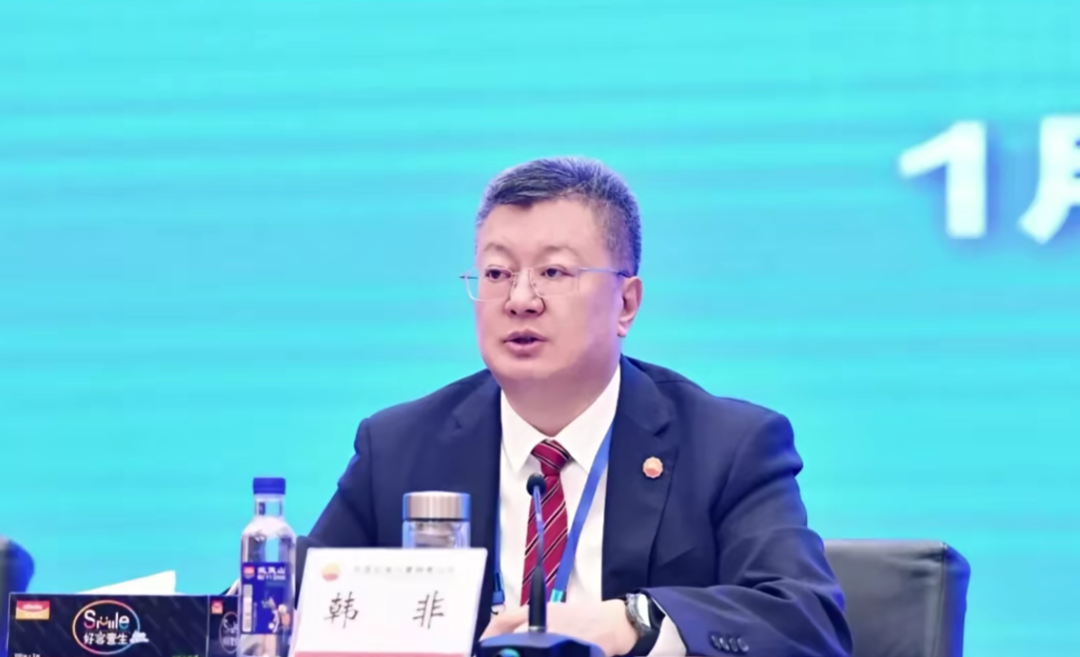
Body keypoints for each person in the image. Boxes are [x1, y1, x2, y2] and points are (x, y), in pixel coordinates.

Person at [307, 156, 852, 656]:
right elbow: (296, 606)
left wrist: (635, 622)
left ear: (626, 303)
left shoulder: (727, 447)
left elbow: (807, 622)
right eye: (497, 274)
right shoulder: (399, 447)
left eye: (553, 273)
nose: (520, 299)